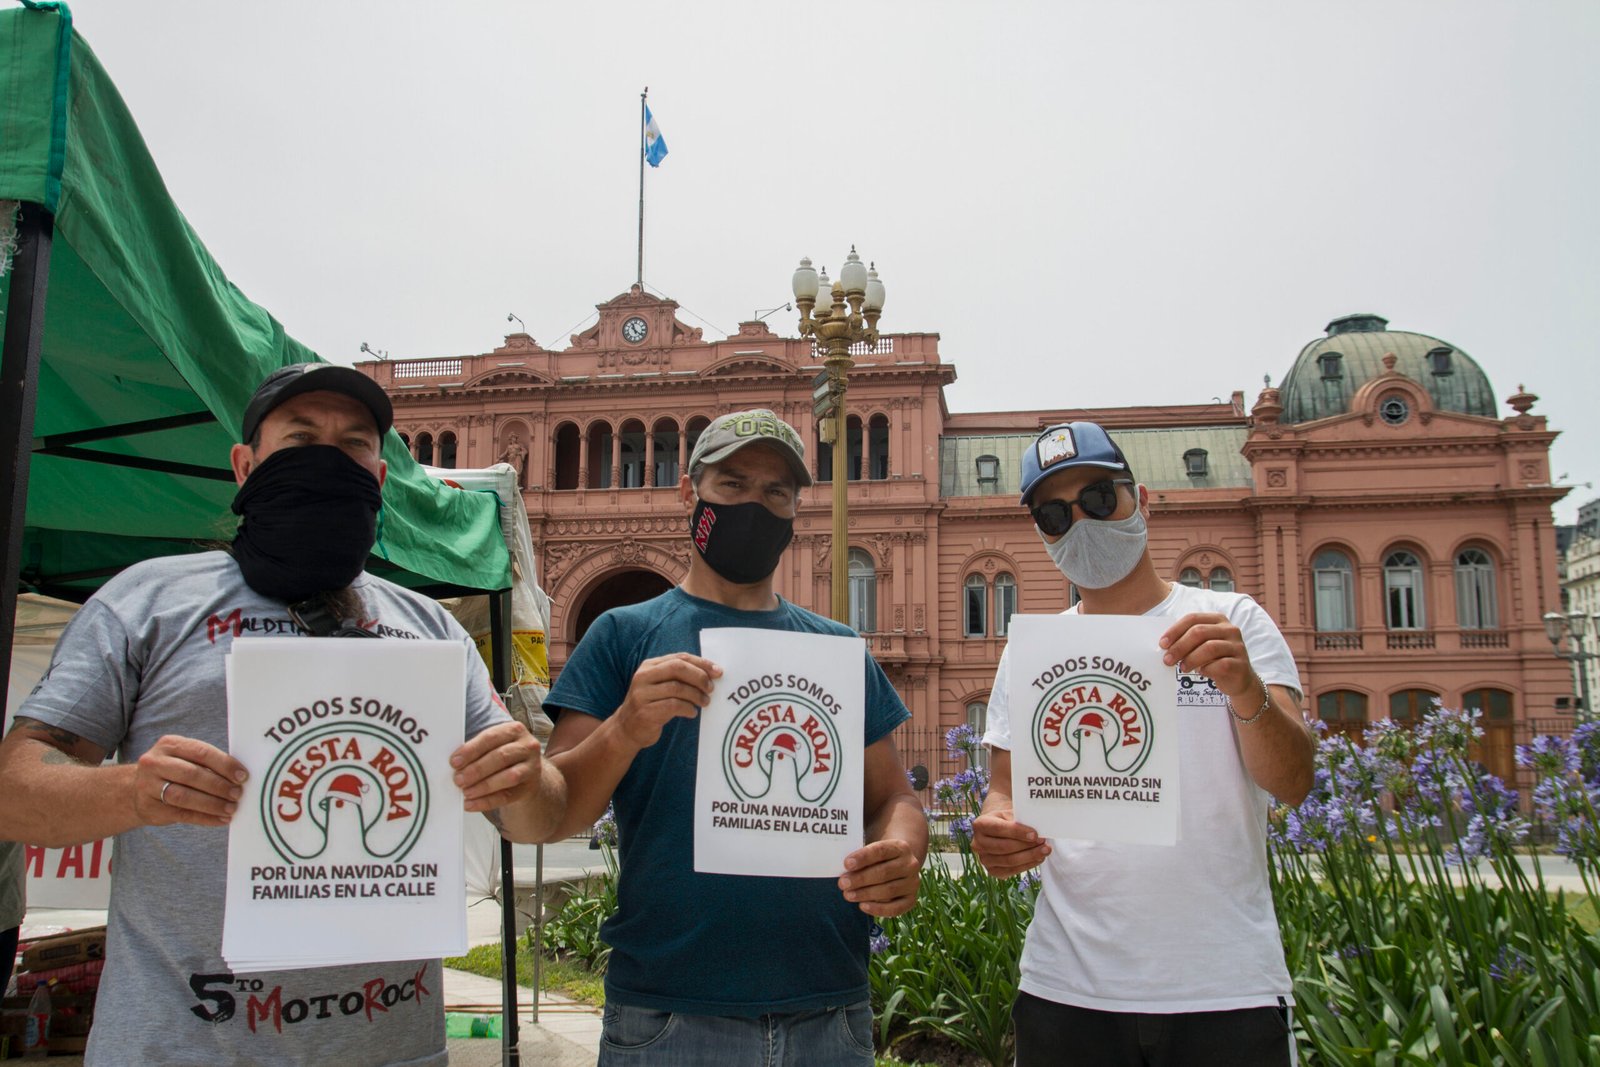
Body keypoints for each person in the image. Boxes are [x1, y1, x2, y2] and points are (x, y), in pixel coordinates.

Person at [0, 363, 565, 1066]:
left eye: (354, 445)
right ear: (246, 465)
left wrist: (523, 779)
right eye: (300, 439)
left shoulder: (430, 629)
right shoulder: (147, 603)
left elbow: (537, 819)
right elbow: (14, 790)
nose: (329, 459)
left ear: (379, 477)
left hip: (394, 1050)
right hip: (178, 1049)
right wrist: (133, 792)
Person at [543, 408, 927, 1066]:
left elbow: (894, 798)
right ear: (687, 494)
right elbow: (555, 808)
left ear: (795, 511)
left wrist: (902, 850)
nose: (756, 503)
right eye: (733, 484)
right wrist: (626, 725)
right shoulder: (622, 635)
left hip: (829, 1010)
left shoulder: (836, 651)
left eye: (776, 492)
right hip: (669, 1013)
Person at [970, 420, 1314, 1067]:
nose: (1081, 522)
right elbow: (1004, 793)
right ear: (1042, 536)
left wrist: (1245, 688)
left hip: (1225, 987)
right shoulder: (1032, 651)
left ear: (1142, 498)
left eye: (1099, 498)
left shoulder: (1233, 621)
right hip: (1068, 986)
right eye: (1053, 514)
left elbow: (1293, 780)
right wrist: (996, 831)